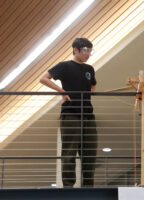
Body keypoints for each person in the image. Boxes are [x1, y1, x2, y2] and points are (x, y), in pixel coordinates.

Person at [40, 38, 97, 187]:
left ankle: (88, 188)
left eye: (90, 51)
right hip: (70, 113)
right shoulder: (64, 66)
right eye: (86, 51)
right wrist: (62, 92)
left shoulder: (89, 69)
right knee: (69, 153)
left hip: (89, 115)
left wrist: (85, 96)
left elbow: (93, 86)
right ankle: (68, 187)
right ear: (75, 50)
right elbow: (43, 78)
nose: (88, 54)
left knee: (90, 154)